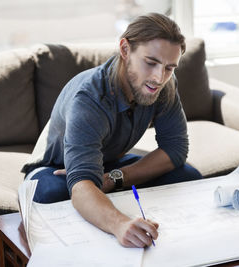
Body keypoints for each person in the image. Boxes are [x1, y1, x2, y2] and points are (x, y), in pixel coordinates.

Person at [22, 13, 203, 248]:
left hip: (107, 164)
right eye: (150, 62)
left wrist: (112, 180)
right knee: (55, 196)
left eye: (169, 67)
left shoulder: (164, 85)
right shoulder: (89, 97)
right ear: (125, 49)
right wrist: (120, 225)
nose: (158, 77)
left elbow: (175, 149)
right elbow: (81, 182)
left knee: (187, 175)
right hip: (55, 170)